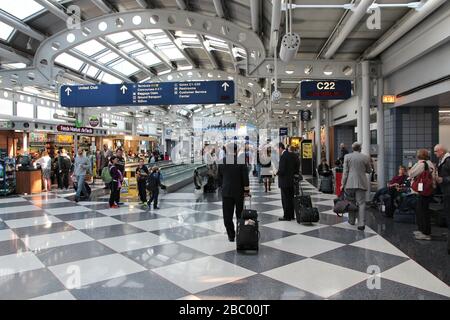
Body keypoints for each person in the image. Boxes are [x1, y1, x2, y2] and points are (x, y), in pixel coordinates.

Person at [218, 143, 250, 242]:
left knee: (227, 215)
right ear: (236, 151)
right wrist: (246, 190)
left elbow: (219, 178)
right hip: (239, 192)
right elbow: (245, 178)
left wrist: (222, 186)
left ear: (227, 150)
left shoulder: (222, 161)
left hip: (226, 192)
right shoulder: (241, 161)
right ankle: (240, 232)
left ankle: (231, 235)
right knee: (240, 213)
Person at [341, 142, 372, 230]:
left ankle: (351, 220)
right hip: (361, 183)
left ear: (353, 148)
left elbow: (345, 172)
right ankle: (361, 224)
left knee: (351, 202)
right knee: (361, 203)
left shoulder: (347, 157)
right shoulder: (365, 157)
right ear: (360, 148)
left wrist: (343, 184)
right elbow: (369, 170)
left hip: (349, 183)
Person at [409, 149, 437, 241]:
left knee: (422, 212)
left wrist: (413, 166)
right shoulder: (429, 163)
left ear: (420, 156)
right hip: (428, 189)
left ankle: (425, 233)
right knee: (423, 210)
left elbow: (411, 173)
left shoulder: (422, 164)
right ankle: (422, 230)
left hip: (422, 191)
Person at [434, 144, 450, 254]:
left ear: (441, 151)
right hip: (446, 192)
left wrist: (442, 179)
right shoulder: (443, 161)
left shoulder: (448, 160)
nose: (434, 154)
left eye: (435, 151)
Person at [277, 142, 299, 221]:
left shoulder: (283, 156)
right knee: (290, 198)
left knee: (285, 199)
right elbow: (297, 165)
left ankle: (286, 216)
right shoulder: (292, 155)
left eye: (277, 149)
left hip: (284, 181)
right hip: (291, 181)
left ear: (280, 148)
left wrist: (276, 172)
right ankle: (291, 215)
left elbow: (282, 170)